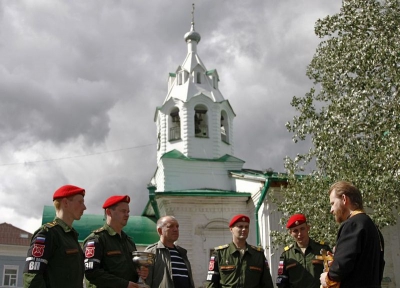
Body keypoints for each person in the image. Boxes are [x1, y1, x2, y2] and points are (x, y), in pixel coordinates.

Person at [320, 181, 385, 288]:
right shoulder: (373, 228)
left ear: (344, 199)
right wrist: (336, 260)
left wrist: (327, 278)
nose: (331, 210)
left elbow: (341, 267)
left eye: (332, 203)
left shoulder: (352, 224)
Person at [23, 184, 86, 287]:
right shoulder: (47, 233)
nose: (84, 207)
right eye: (80, 202)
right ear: (65, 203)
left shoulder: (71, 236)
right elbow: (32, 277)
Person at [83, 195, 146, 288]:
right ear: (109, 212)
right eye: (123, 211)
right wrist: (124, 284)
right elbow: (92, 272)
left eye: (128, 212)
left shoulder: (129, 242)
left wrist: (142, 272)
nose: (127, 215)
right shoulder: (96, 239)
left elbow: (131, 270)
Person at [205, 214, 274, 288]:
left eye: (246, 227)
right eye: (240, 226)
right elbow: (211, 284)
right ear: (231, 229)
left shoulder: (258, 255)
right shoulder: (220, 254)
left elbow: (267, 283)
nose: (244, 229)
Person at [276, 213, 331, 288]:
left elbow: (334, 275)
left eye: (302, 229)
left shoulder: (323, 249)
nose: (299, 234)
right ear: (290, 233)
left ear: (308, 228)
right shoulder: (286, 255)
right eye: (295, 231)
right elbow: (282, 282)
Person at [144, 215, 194, 288]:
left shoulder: (182, 253)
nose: (175, 229)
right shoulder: (152, 252)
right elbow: (145, 282)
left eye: (177, 226)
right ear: (160, 230)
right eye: (171, 226)